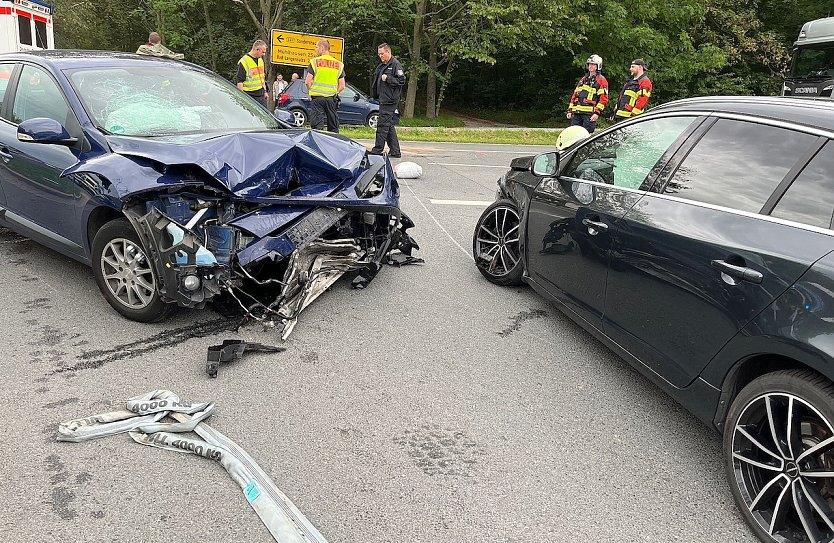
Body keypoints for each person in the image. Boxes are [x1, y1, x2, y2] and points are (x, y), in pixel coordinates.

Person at [370, 43, 406, 158]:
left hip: (390, 100)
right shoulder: (382, 65)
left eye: (382, 53)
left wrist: (388, 78)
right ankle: (395, 151)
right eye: (379, 54)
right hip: (383, 98)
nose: (380, 56)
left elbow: (401, 81)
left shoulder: (395, 64)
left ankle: (377, 149)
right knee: (388, 124)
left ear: (388, 52)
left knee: (382, 125)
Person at [305, 39, 345, 133]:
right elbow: (342, 85)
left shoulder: (315, 62)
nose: (315, 49)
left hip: (317, 98)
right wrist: (335, 92)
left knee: (317, 127)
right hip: (331, 98)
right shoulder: (338, 64)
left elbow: (307, 81)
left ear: (322, 48)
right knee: (333, 126)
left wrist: (311, 89)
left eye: (316, 47)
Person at [566, 54, 608, 133]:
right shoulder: (583, 79)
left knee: (586, 135)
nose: (590, 66)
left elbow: (603, 99)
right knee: (574, 133)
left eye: (593, 64)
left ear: (598, 66)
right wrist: (570, 110)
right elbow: (575, 95)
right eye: (589, 64)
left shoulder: (601, 80)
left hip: (589, 114)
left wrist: (596, 113)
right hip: (577, 112)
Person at [237, 40, 269, 108]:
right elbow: (240, 82)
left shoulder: (260, 60)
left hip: (260, 94)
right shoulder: (244, 61)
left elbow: (262, 78)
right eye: (263, 52)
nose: (264, 54)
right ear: (257, 49)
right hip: (249, 95)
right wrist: (241, 98)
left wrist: (265, 91)